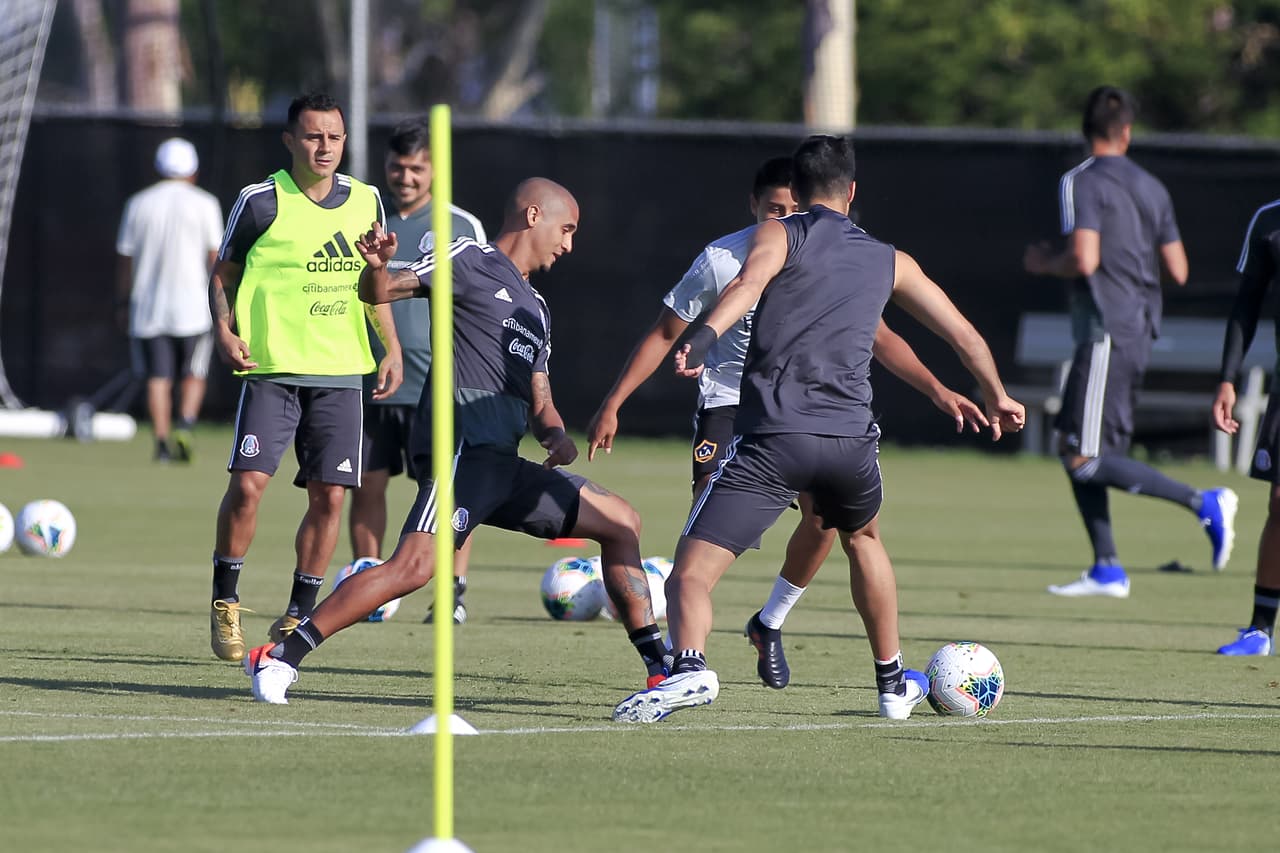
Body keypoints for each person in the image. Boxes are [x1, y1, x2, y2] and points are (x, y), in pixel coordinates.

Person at [612, 135, 1026, 724]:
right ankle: (890, 685)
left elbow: (746, 286)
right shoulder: (890, 258)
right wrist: (999, 396)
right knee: (866, 542)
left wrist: (703, 338)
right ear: (852, 192)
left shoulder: (778, 233)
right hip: (851, 446)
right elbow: (963, 334)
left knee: (692, 572)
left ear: (797, 194)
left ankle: (691, 666)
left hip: (775, 441)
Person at [244, 177, 670, 704]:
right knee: (414, 568)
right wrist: (377, 266)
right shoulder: (468, 257)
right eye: (567, 229)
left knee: (622, 521)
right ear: (533, 216)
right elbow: (379, 291)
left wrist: (556, 436)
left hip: (503, 465)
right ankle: (281, 656)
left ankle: (659, 668)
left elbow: (541, 400)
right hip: (461, 453)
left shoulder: (536, 309)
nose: (569, 245)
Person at [207, 92, 404, 663]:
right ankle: (225, 600)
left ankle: (299, 610)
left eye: (335, 137)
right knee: (247, 488)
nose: (325, 148)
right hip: (271, 370)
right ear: (290, 140)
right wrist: (224, 330)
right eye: (314, 136)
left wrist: (389, 347)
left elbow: (376, 284)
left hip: (341, 371)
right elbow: (223, 275)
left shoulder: (367, 200)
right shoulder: (261, 200)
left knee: (331, 498)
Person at [1023, 85, 1236, 598]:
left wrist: (1045, 262)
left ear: (1085, 130)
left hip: (1104, 331)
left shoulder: (1080, 180)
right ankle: (1107, 568)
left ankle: (1203, 501)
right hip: (1139, 330)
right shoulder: (1152, 186)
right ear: (1127, 132)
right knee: (1078, 447)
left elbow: (1085, 259)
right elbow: (1179, 270)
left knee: (1082, 456)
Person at [350, 117, 488, 626]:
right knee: (366, 484)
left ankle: (450, 589)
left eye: (415, 168)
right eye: (396, 166)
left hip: (439, 387)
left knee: (445, 491)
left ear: (434, 170)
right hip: (369, 380)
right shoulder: (366, 217)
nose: (404, 177)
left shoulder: (459, 226)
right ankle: (368, 581)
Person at [115, 137, 224, 463]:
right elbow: (216, 258)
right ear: (193, 171)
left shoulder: (138, 204)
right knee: (194, 372)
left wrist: (122, 302)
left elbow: (125, 260)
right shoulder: (206, 203)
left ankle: (161, 443)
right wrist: (223, 305)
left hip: (148, 308)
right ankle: (185, 426)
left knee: (157, 378)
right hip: (195, 308)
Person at [1212, 198, 1280, 655]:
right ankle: (1260, 629)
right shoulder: (1269, 219)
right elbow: (1246, 305)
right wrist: (1227, 379)